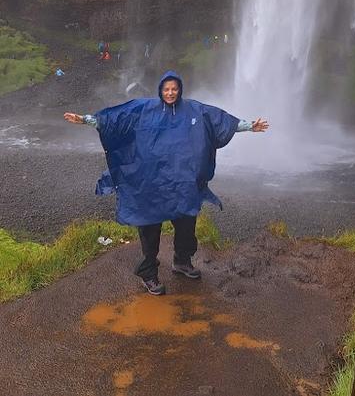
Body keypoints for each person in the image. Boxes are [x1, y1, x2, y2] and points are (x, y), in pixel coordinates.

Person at [64, 70, 268, 296]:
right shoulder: (144, 109)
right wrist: (86, 120)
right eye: (166, 89)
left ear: (179, 90)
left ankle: (182, 261)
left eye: (174, 89)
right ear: (160, 90)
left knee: (186, 225)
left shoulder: (194, 110)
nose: (170, 93)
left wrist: (249, 126)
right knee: (150, 229)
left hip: (181, 183)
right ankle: (149, 274)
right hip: (150, 183)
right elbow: (115, 119)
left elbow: (219, 121)